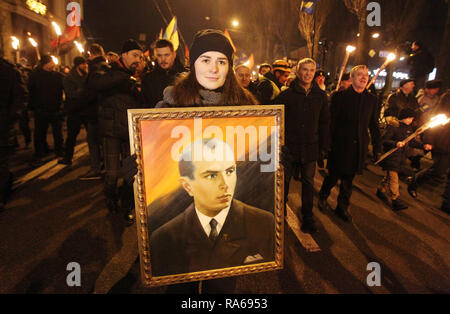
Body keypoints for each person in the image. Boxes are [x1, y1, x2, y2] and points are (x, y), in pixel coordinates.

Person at [150, 138, 274, 276]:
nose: (225, 184)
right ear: (187, 186)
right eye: (212, 175)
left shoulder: (264, 223)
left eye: (229, 171)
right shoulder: (163, 238)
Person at [89, 39, 144, 224]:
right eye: (135, 55)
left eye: (141, 56)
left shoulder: (134, 77)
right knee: (112, 175)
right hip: (111, 132)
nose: (138, 59)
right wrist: (125, 76)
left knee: (130, 173)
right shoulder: (109, 71)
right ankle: (110, 199)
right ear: (124, 55)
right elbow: (97, 84)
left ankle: (127, 207)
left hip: (129, 132)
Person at [318, 65, 381, 222]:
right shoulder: (340, 97)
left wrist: (377, 148)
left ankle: (342, 207)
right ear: (352, 79)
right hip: (340, 145)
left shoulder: (372, 99)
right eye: (359, 74)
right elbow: (331, 122)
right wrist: (327, 144)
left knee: (348, 181)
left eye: (366, 75)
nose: (363, 77)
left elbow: (374, 125)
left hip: (358, 147)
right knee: (333, 176)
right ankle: (323, 195)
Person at [274, 58, 330, 234]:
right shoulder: (285, 96)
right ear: (297, 72)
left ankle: (308, 216)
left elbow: (324, 122)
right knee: (284, 182)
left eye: (311, 70)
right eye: (304, 70)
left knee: (308, 183)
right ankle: (279, 213)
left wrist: (324, 147)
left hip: (310, 147)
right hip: (289, 148)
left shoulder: (321, 96)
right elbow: (275, 120)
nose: (308, 73)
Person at [376, 108, 432, 211]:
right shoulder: (393, 126)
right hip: (391, 157)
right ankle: (395, 199)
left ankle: (380, 190)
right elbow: (384, 140)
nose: (411, 120)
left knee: (389, 178)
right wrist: (395, 143)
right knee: (394, 179)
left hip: (400, 158)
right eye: (409, 118)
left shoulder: (409, 128)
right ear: (403, 117)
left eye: (412, 118)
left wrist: (423, 146)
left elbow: (411, 142)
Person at [408, 91, 450, 211]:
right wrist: (429, 140)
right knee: (438, 170)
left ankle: (447, 203)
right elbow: (434, 120)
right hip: (444, 142)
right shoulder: (446, 99)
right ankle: (415, 181)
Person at [28, 55, 65, 167]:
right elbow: (31, 92)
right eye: (51, 62)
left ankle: (59, 150)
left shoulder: (57, 76)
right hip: (41, 109)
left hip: (55, 108)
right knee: (40, 132)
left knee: (57, 131)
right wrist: (33, 107)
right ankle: (40, 152)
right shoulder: (34, 76)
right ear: (45, 63)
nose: (53, 64)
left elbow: (62, 89)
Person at [0, 57, 27, 211]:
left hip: (3, 125)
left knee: (2, 161)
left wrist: (9, 119)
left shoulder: (8, 71)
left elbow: (21, 97)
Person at [58, 57, 92, 168]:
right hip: (75, 111)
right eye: (83, 64)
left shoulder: (88, 76)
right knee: (71, 136)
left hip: (87, 110)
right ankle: (68, 158)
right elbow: (71, 94)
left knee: (92, 136)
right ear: (78, 65)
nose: (85, 66)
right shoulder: (69, 78)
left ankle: (95, 158)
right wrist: (85, 91)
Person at [384, 79, 422, 170]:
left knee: (406, 149)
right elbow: (389, 111)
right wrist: (393, 121)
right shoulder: (394, 97)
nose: (413, 85)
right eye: (411, 84)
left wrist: (415, 123)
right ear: (404, 85)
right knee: (395, 148)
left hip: (408, 127)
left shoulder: (413, 99)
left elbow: (416, 111)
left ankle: (399, 169)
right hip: (396, 126)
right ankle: (392, 169)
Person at [141, 39, 186, 107]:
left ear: (174, 55)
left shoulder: (186, 77)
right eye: (159, 55)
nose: (163, 59)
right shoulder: (148, 80)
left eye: (167, 55)